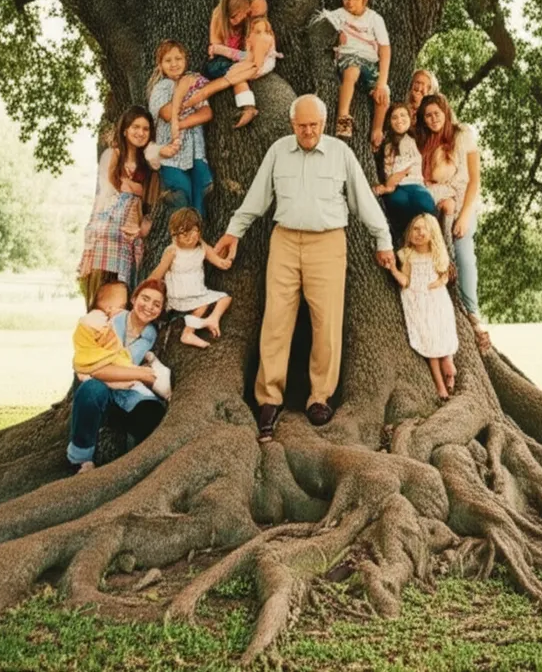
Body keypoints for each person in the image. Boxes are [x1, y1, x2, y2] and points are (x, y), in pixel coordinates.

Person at [214, 94, 395, 442]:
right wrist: (233, 232)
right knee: (276, 319)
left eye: (314, 125)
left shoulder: (341, 154)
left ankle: (319, 397)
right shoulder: (279, 151)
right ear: (292, 124)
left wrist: (383, 238)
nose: (308, 131)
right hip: (284, 240)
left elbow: (363, 200)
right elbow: (256, 197)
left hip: (328, 242)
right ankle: (269, 399)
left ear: (324, 124)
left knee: (326, 321)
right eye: (302, 126)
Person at [67, 279, 169, 473]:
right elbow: (96, 362)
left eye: (156, 304)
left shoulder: (150, 334)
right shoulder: (110, 320)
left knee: (152, 413)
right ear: (133, 299)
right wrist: (142, 374)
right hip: (99, 383)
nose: (149, 307)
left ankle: (135, 462)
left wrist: (134, 374)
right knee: (91, 390)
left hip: (126, 388)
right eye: (145, 299)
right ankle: (80, 459)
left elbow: (126, 360)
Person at [415, 93, 489, 350]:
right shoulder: (425, 143)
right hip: (439, 209)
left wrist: (465, 215)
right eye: (428, 116)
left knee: (465, 258)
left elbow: (474, 180)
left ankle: (473, 313)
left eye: (437, 113)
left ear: (446, 112)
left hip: (463, 207)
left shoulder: (463, 134)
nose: (433, 119)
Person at [77, 106, 158, 309]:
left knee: (123, 296)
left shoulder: (148, 163)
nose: (140, 133)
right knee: (101, 295)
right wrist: (135, 188)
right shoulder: (112, 155)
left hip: (130, 233)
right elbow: (107, 190)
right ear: (125, 129)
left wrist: (132, 188)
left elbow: (151, 200)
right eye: (135, 127)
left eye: (146, 129)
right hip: (107, 229)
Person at [313, 0, 391, 150]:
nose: (349, 3)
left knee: (384, 94)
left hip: (369, 61)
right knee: (352, 70)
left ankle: (377, 131)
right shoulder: (340, 14)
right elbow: (320, 23)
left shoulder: (374, 19)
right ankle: (343, 117)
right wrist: (335, 34)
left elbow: (385, 49)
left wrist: (382, 82)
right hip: (348, 58)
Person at [389, 214, 458, 401]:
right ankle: (440, 385)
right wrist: (394, 270)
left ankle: (449, 366)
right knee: (429, 344)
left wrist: (440, 282)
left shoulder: (437, 255)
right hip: (417, 301)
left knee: (442, 332)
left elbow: (444, 275)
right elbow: (405, 281)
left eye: (423, 229)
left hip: (436, 299)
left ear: (432, 232)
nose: (419, 233)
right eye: (415, 229)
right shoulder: (407, 255)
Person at [145, 39, 213, 216]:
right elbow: (167, 114)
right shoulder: (161, 88)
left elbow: (206, 113)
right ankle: (181, 241)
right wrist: (186, 96)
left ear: (185, 60)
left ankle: (199, 237)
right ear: (160, 65)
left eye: (178, 59)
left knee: (201, 197)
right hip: (172, 156)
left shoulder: (192, 83)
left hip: (196, 152)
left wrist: (180, 124)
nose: (174, 64)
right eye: (168, 60)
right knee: (181, 198)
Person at [150, 207, 233, 349]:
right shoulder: (172, 251)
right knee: (203, 304)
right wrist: (147, 287)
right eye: (185, 235)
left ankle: (211, 320)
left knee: (225, 298)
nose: (190, 240)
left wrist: (228, 259)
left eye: (194, 235)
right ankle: (190, 330)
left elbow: (219, 262)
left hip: (198, 292)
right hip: (179, 295)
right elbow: (158, 273)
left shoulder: (202, 247)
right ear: (174, 234)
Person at [179, 14, 282, 128]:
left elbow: (256, 64)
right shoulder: (253, 46)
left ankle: (249, 108)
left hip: (253, 67)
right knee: (229, 80)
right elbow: (238, 55)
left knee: (227, 82)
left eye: (265, 31)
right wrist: (217, 49)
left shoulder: (263, 40)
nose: (261, 35)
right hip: (249, 64)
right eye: (256, 31)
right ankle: (187, 104)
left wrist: (246, 69)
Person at [203, 0, 271, 128]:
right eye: (231, 16)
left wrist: (247, 57)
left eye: (237, 16)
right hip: (219, 61)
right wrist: (241, 57)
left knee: (240, 70)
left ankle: (249, 107)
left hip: (239, 58)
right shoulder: (218, 16)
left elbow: (251, 43)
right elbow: (216, 47)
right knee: (236, 72)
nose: (234, 20)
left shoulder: (249, 20)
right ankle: (248, 107)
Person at [374, 102, 437, 233]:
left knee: (424, 202)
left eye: (403, 115)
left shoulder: (418, 139)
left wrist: (391, 183)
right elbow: (387, 171)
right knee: (398, 201)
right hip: (398, 188)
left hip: (415, 183)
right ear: (389, 121)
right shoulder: (388, 145)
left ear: (410, 118)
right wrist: (388, 186)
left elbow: (409, 165)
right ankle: (405, 236)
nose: (399, 120)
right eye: (394, 117)